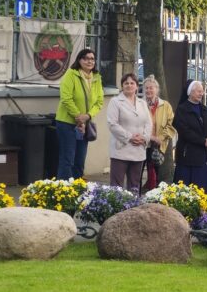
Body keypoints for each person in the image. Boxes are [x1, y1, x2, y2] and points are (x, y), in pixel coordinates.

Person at [55, 48, 103, 180]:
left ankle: (77, 188)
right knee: (68, 160)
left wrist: (88, 116)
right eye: (86, 58)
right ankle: (64, 189)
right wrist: (78, 117)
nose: (89, 61)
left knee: (80, 161)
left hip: (84, 125)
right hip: (67, 123)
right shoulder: (71, 74)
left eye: (92, 59)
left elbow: (99, 102)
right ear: (79, 60)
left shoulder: (97, 77)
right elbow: (66, 98)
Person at [106, 73, 152, 192]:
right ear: (122, 86)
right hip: (121, 149)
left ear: (137, 86)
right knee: (116, 187)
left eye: (132, 83)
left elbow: (149, 123)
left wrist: (144, 138)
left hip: (138, 149)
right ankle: (116, 204)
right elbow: (112, 124)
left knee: (134, 186)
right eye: (126, 83)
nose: (129, 85)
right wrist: (130, 137)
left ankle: (133, 204)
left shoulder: (142, 103)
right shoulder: (115, 101)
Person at [173, 80, 207, 195]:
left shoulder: (203, 108)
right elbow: (184, 131)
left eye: (202, 91)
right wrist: (203, 141)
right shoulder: (182, 109)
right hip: (188, 156)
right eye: (198, 91)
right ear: (190, 92)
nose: (201, 94)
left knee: (202, 189)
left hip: (203, 156)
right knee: (187, 190)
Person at [143, 75, 177, 191]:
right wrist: (149, 137)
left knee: (155, 172)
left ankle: (153, 195)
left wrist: (161, 137)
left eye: (151, 88)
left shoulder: (165, 105)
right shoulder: (140, 104)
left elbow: (172, 124)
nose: (148, 90)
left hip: (158, 144)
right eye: (146, 88)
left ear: (157, 89)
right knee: (138, 172)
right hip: (142, 142)